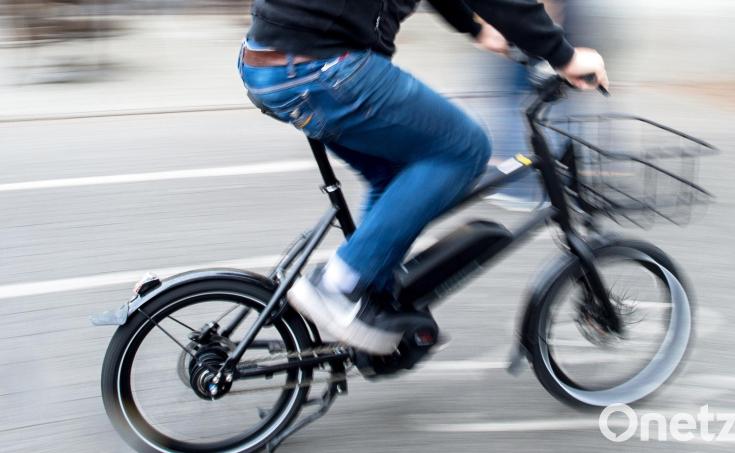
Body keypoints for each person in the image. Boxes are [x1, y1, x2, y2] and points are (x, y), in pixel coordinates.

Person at [238, 0, 609, 354]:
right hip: (321, 67)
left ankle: (370, 301)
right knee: (464, 148)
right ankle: (339, 285)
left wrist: (473, 27)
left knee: (400, 173)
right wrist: (565, 55)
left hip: (270, 64)